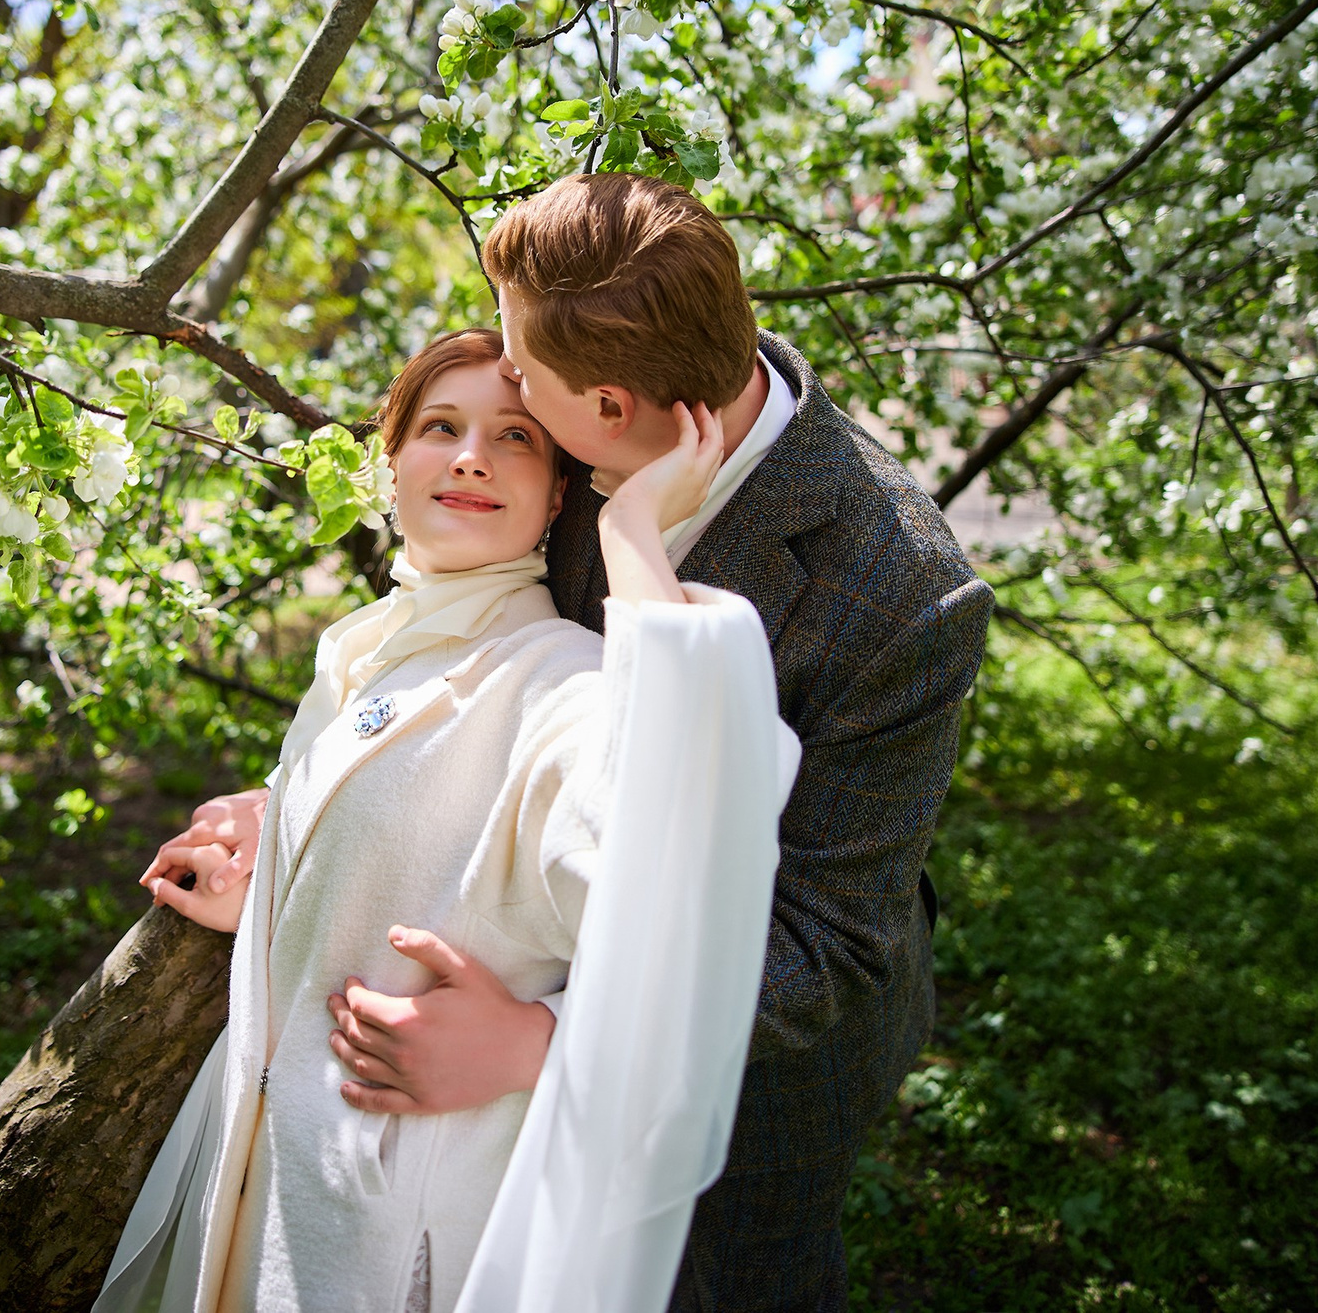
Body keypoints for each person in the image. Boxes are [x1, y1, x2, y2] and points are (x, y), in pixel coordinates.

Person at [158, 174, 991, 1311]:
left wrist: (544, 1043)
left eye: (521, 376)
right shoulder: (591, 399)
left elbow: (826, 942)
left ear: (605, 409)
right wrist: (318, 802)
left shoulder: (904, 594)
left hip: (754, 1062)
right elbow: (480, 657)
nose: (505, 379)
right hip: (511, 949)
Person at [96, 327, 796, 1313]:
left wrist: (634, 533)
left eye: (515, 437)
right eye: (440, 427)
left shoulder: (564, 687)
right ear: (390, 463)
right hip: (268, 1194)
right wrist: (275, 891)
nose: (472, 456)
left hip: (394, 1239)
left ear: (558, 494)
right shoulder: (365, 650)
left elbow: (677, 855)